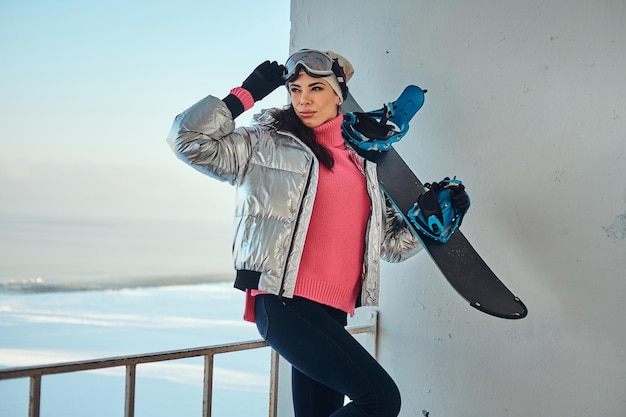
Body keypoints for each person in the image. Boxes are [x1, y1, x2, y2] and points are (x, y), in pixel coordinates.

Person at [167, 49, 423, 417]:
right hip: (283, 302)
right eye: (295, 89)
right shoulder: (266, 144)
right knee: (380, 399)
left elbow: (390, 246)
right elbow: (188, 141)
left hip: (332, 312)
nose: (303, 99)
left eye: (316, 87)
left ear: (340, 93)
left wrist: (428, 221)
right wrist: (243, 95)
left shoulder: (363, 163)